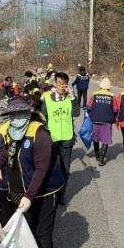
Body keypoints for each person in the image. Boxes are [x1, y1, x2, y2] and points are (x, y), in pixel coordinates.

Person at [0, 98, 65, 248]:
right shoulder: (13, 130)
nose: (16, 117)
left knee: (42, 232)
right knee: (28, 231)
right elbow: (6, 151)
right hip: (22, 191)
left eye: (19, 113)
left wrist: (29, 196)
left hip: (45, 192)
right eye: (12, 114)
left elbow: (41, 169)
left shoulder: (40, 133)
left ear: (28, 113)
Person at [41, 71, 80, 205]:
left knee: (65, 169)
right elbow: (42, 118)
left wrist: (73, 97)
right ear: (55, 84)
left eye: (64, 84)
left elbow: (77, 113)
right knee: (50, 166)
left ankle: (61, 195)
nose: (62, 86)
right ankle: (50, 193)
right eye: (59, 83)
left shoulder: (70, 99)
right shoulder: (47, 99)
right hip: (52, 140)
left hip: (67, 139)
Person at [87, 78, 117, 166]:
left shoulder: (95, 94)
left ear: (100, 86)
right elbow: (115, 110)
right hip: (107, 121)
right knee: (105, 140)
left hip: (95, 119)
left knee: (95, 138)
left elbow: (89, 107)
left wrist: (91, 114)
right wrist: (113, 116)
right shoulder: (112, 96)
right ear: (109, 87)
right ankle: (101, 159)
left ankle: (97, 155)